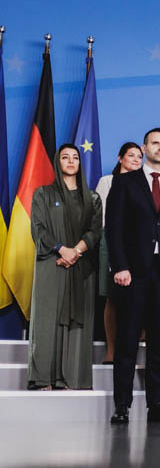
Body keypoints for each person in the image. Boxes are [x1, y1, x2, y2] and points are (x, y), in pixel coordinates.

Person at [105, 127, 160, 424]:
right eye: (155, 143)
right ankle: (122, 404)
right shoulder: (125, 182)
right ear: (144, 148)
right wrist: (119, 266)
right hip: (133, 273)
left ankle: (156, 404)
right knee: (128, 340)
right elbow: (113, 229)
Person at [27, 144, 102, 390]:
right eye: (65, 157)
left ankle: (73, 379)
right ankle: (43, 379)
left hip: (81, 268)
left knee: (78, 325)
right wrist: (61, 249)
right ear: (58, 162)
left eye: (75, 157)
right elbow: (38, 228)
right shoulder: (43, 194)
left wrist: (76, 251)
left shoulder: (92, 198)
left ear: (80, 163)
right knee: (47, 320)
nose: (71, 161)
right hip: (51, 263)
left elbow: (95, 230)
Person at [95, 142, 142, 364]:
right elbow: (101, 217)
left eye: (139, 157)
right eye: (131, 155)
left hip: (138, 245)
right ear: (120, 158)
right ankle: (111, 349)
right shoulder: (108, 181)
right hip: (111, 241)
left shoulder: (144, 185)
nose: (135, 159)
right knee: (112, 297)